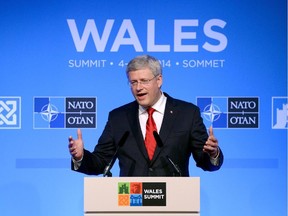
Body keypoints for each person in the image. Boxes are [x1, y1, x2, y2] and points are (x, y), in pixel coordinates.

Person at [68, 55, 223, 176]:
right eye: (133, 82)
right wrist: (80, 156)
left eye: (144, 81)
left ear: (159, 80)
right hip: (131, 203)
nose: (138, 88)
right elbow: (101, 162)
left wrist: (213, 154)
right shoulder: (118, 118)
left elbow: (205, 162)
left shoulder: (187, 113)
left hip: (175, 203)